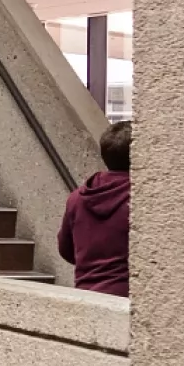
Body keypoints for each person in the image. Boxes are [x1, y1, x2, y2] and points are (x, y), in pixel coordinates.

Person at [58, 121, 131, 296]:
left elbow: (66, 249)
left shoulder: (77, 198)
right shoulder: (141, 198)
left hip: (86, 294)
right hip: (126, 298)